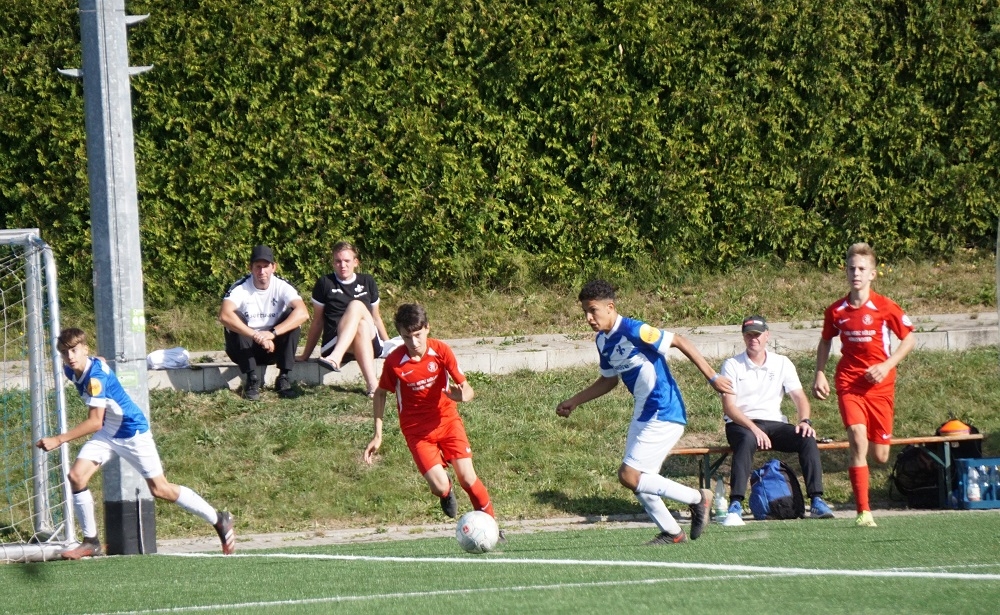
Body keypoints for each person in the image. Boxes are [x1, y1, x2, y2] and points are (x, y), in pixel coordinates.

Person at [556, 280, 735, 545]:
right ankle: (672, 533)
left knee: (629, 475)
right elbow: (609, 380)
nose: (588, 318)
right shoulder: (603, 341)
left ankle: (698, 498)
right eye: (585, 312)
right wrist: (575, 401)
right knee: (639, 479)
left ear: (610, 307)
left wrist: (712, 377)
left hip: (664, 409)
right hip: (644, 412)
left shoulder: (634, 329)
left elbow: (679, 341)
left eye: (593, 310)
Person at [36, 328, 235, 559]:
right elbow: (96, 367)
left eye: (74, 350)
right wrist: (96, 361)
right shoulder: (71, 369)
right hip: (109, 432)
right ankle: (91, 542)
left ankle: (219, 519)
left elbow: (95, 422)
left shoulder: (95, 379)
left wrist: (59, 439)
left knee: (160, 489)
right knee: (76, 476)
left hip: (132, 432)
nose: (70, 356)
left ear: (85, 349)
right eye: (64, 352)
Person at [363, 303, 498, 526]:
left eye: (418, 335)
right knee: (439, 486)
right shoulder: (395, 362)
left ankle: (491, 525)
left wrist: (463, 396)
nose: (414, 343)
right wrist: (378, 435)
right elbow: (380, 393)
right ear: (400, 335)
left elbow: (467, 388)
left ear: (427, 328)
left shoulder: (441, 351)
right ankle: (446, 492)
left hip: (447, 421)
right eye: (407, 337)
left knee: (467, 478)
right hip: (417, 432)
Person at [813, 242, 916, 527]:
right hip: (850, 384)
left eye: (861, 269)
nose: (856, 273)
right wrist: (819, 372)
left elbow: (909, 339)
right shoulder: (836, 310)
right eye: (851, 268)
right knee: (857, 438)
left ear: (872, 274)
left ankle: (866, 491)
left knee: (880, 456)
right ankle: (864, 511)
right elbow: (825, 340)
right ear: (846, 272)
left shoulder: (885, 307)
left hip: (881, 388)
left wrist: (886, 365)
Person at [718, 315, 834, 526]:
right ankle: (735, 505)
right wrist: (754, 429)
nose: (753, 339)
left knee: (807, 438)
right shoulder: (732, 365)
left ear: (767, 336)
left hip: (774, 422)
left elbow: (799, 397)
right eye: (748, 335)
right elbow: (730, 407)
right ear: (743, 338)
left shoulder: (782, 363)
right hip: (741, 424)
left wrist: (805, 421)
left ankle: (817, 500)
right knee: (746, 440)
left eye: (757, 334)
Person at [297, 241, 391, 397]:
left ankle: (336, 358)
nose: (343, 265)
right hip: (334, 340)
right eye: (338, 261)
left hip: (368, 341)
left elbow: (376, 318)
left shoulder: (367, 281)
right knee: (360, 323)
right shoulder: (325, 283)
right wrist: (306, 355)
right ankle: (373, 385)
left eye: (347, 261)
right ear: (333, 263)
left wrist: (389, 348)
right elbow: (318, 321)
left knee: (357, 309)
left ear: (356, 262)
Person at [219, 245, 309, 400]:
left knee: (292, 315)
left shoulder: (282, 286)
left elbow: (303, 313)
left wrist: (272, 334)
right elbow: (224, 316)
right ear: (250, 268)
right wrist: (257, 336)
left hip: (273, 347)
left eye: (266, 266)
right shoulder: (240, 287)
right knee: (235, 318)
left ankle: (283, 378)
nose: (262, 271)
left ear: (273, 267)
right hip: (245, 347)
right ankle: (252, 379)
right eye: (258, 266)